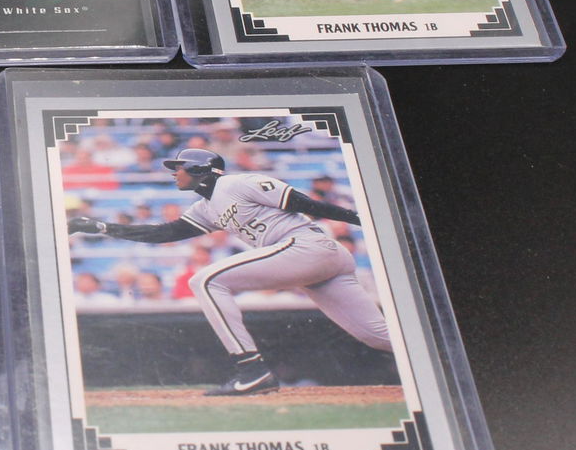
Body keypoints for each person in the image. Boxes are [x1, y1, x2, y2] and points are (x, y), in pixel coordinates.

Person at [67, 147, 393, 396]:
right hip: (314, 260)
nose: (174, 173)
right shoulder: (205, 208)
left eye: (179, 167)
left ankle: (252, 370)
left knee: (205, 280)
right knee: (378, 337)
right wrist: (102, 227)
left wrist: (363, 219)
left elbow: (303, 203)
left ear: (201, 169)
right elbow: (162, 234)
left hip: (307, 245)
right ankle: (426, 354)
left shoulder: (238, 182)